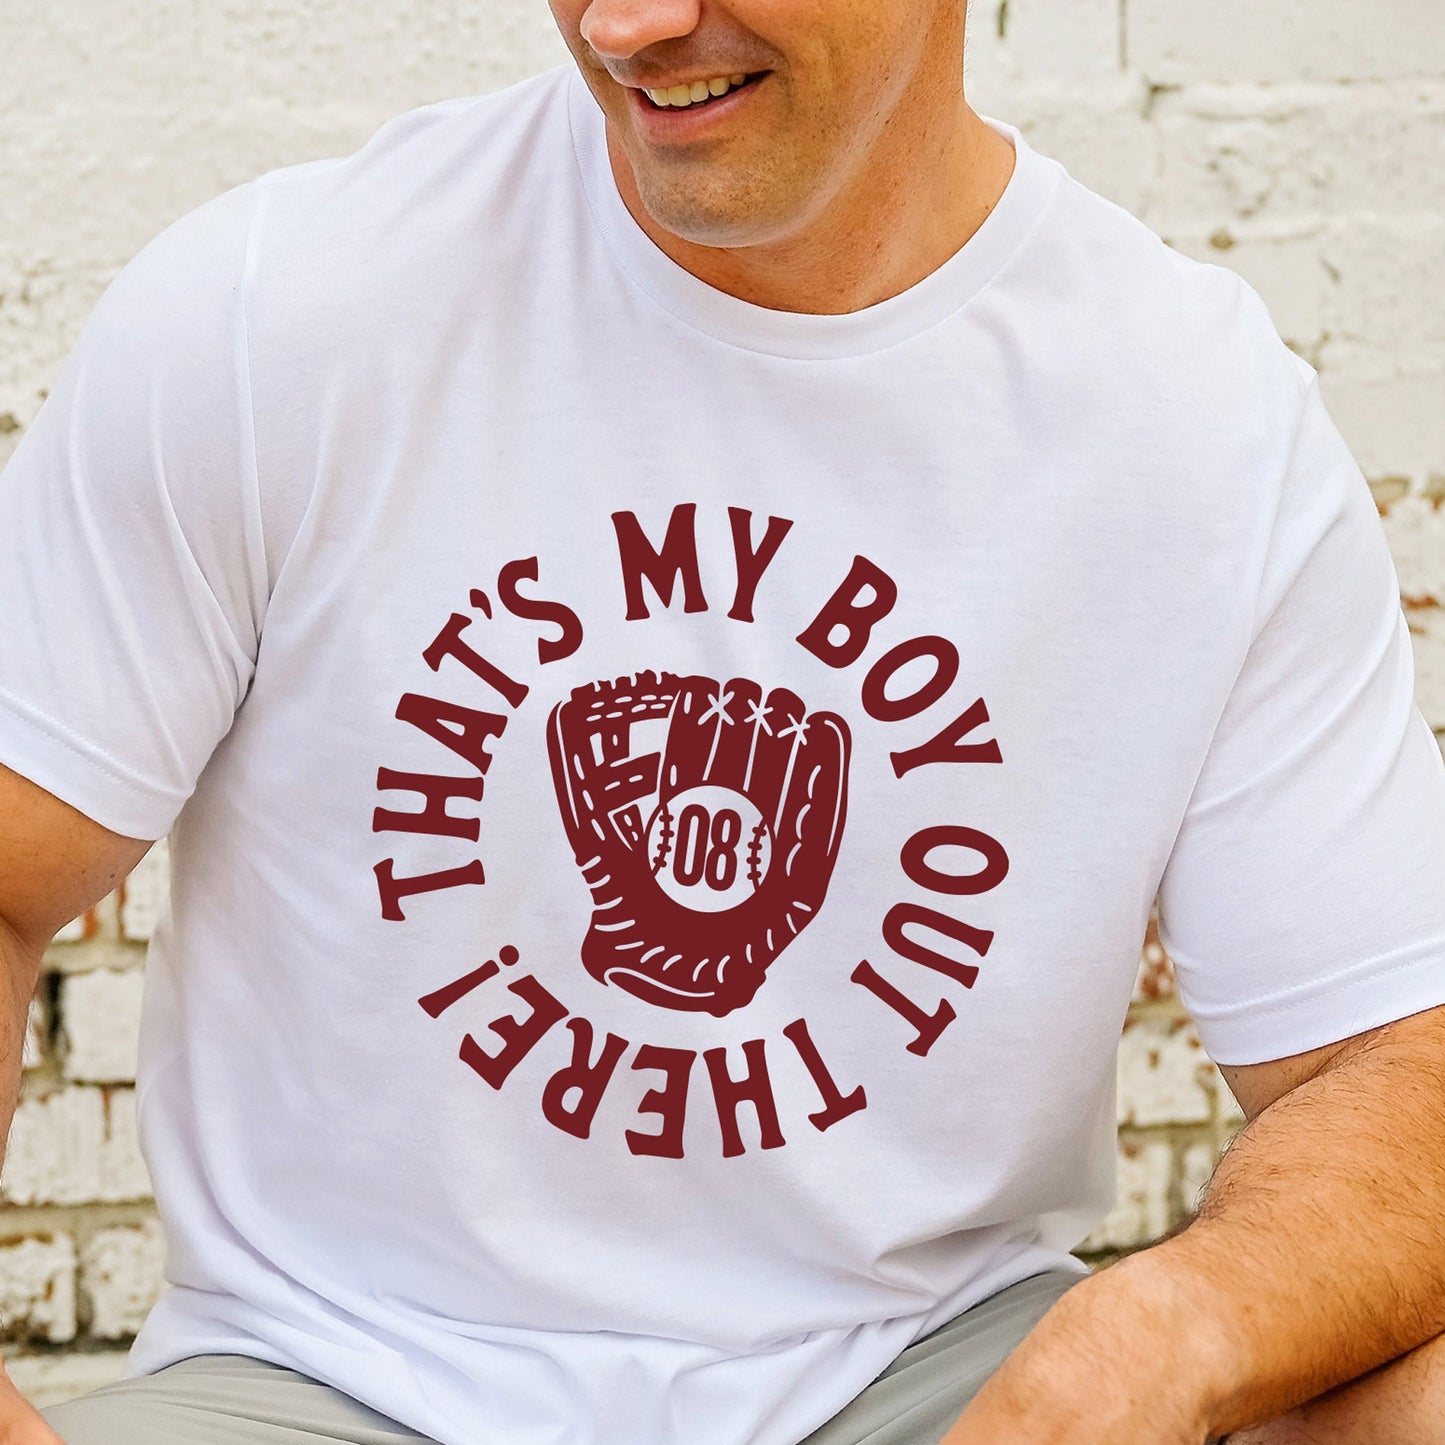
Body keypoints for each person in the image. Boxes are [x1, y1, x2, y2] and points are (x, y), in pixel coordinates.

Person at [2, 0, 1444, 1441]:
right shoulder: (286, 311)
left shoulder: (1191, 418)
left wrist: (1158, 1333)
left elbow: (1393, 1062)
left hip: (924, 1376)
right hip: (339, 1381)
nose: (626, 24)